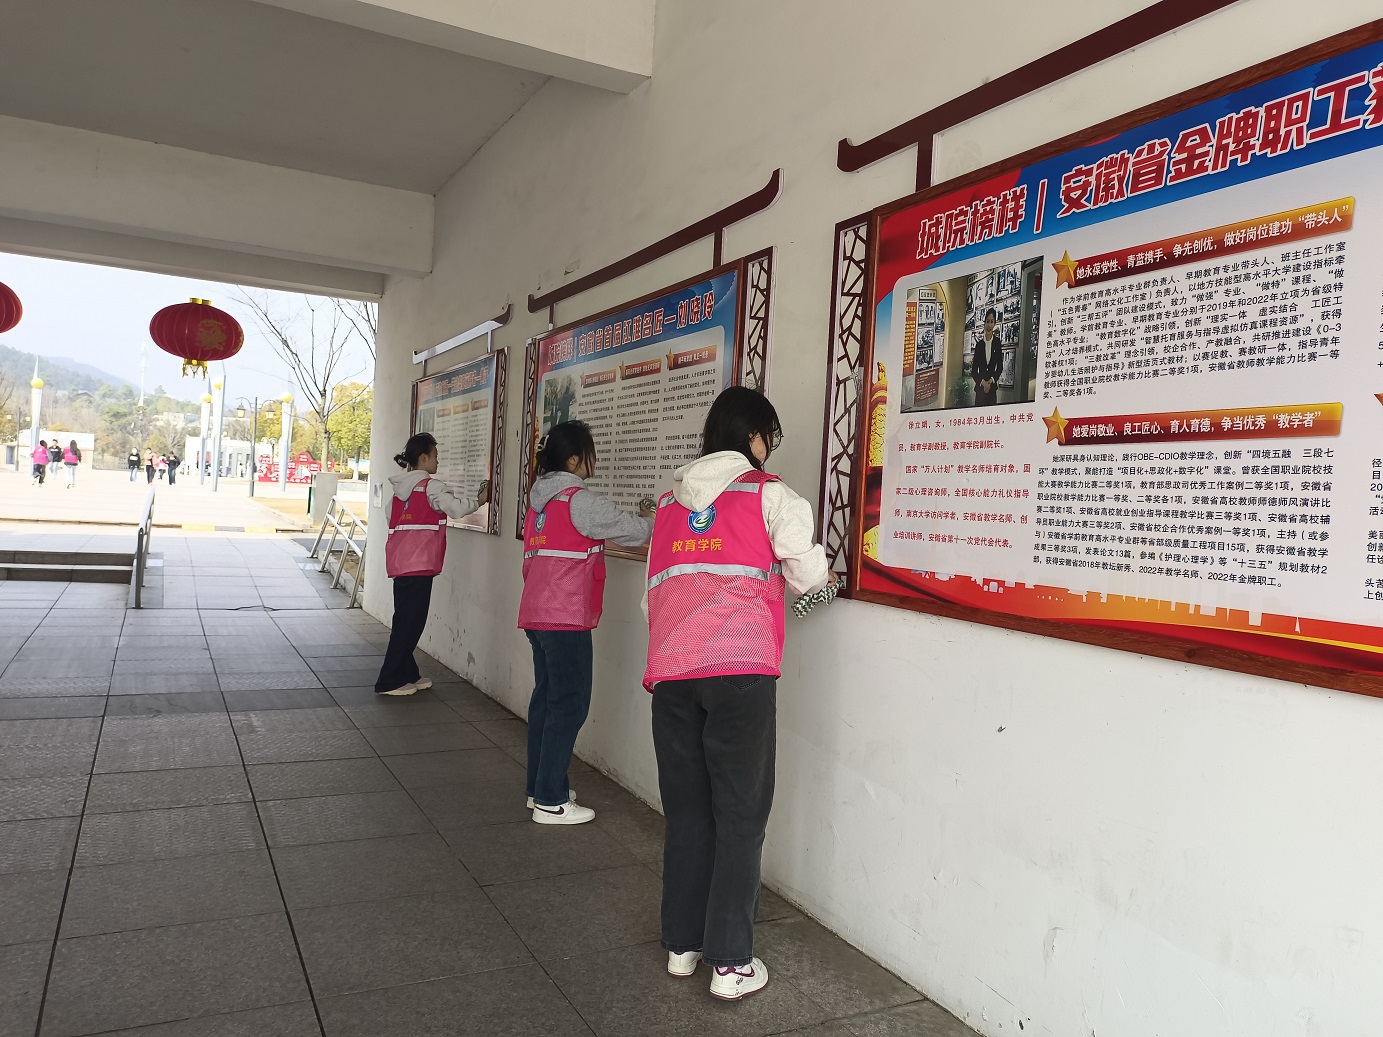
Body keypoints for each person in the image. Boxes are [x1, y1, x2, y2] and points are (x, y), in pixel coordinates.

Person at [642, 386, 836, 1001]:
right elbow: (809, 575)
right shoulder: (768, 495)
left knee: (688, 812)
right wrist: (825, 585)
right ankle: (730, 964)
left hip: (672, 675)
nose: (767, 447)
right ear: (753, 436)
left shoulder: (669, 507)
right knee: (740, 815)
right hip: (740, 673)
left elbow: (652, 598)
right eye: (767, 437)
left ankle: (682, 946)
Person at [518, 420, 654, 826]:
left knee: (546, 701)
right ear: (575, 459)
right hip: (565, 618)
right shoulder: (579, 500)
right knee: (569, 706)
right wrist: (652, 517)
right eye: (590, 454)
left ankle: (539, 787)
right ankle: (551, 801)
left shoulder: (539, 502)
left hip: (537, 614)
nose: (594, 460)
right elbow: (633, 531)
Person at [375, 432, 488, 697]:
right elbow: (455, 509)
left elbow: (391, 518)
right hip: (421, 564)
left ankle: (408, 673)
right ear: (424, 458)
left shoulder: (399, 492)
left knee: (406, 620)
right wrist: (480, 501)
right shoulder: (431, 487)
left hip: (401, 564)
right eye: (435, 456)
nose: (438, 461)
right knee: (409, 623)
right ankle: (389, 680)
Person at [971, 307, 1003, 407]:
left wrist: (991, 380)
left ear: (994, 324)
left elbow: (1000, 367)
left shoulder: (997, 343)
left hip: (992, 389)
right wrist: (983, 382)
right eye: (987, 321)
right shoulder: (979, 345)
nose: (989, 325)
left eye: (992, 322)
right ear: (984, 323)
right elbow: (974, 371)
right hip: (980, 390)